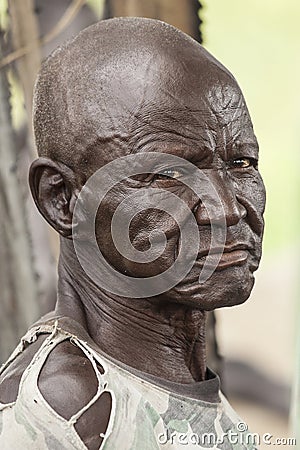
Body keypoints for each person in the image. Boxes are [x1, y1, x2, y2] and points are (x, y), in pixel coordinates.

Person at [0, 17, 265, 449]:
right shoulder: (55, 419)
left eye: (241, 164)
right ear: (62, 199)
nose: (230, 210)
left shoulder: (154, 391)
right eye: (167, 174)